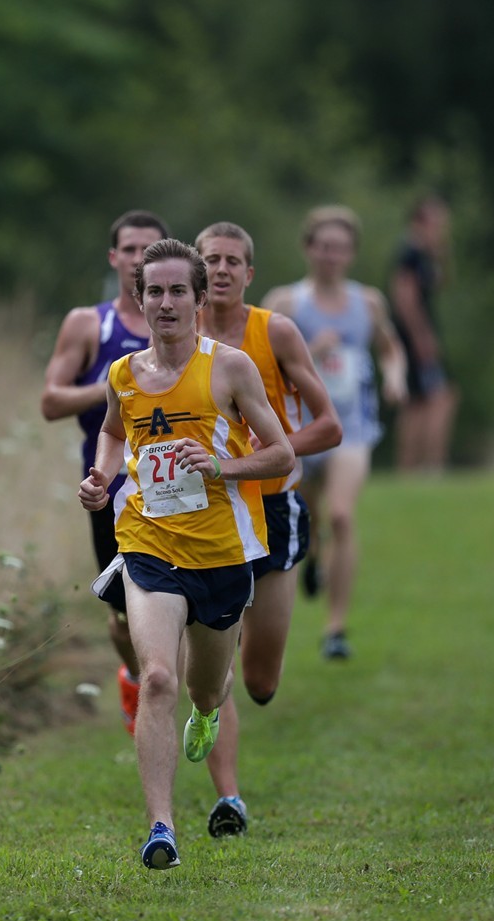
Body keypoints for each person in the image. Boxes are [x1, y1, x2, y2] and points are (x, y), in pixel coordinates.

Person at [79, 238, 294, 871]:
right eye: (155, 292)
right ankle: (161, 829)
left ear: (200, 300)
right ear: (139, 299)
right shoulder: (124, 375)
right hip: (149, 541)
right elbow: (114, 434)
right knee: (157, 676)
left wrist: (224, 467)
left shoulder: (230, 368)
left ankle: (209, 706)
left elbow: (280, 454)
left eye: (178, 291)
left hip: (224, 553)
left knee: (206, 687)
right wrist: (100, 478)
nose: (166, 303)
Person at [194, 221, 342, 838]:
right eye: (212, 260)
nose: (222, 269)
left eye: (233, 261)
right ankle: (229, 799)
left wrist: (274, 447)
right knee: (216, 665)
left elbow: (329, 425)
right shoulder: (176, 333)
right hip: (201, 516)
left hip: (274, 509)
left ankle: (222, 682)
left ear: (250, 274)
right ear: (196, 272)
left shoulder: (273, 331)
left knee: (260, 682)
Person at [40, 210, 169, 735]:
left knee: (179, 601)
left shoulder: (182, 320)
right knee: (121, 612)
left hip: (173, 488)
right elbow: (51, 401)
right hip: (108, 487)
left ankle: (163, 683)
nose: (139, 258)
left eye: (150, 249)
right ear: (114, 257)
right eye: (130, 249)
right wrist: (120, 384)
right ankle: (137, 674)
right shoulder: (90, 324)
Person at [263, 207, 406, 660]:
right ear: (308, 249)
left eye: (340, 248)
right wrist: (307, 351)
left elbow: (389, 347)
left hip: (351, 427)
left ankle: (335, 628)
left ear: (351, 254)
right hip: (297, 429)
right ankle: (315, 553)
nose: (331, 255)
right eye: (323, 246)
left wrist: (396, 375)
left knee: (342, 514)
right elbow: (253, 362)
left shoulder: (368, 303)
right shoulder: (286, 303)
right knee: (306, 518)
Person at [390, 195, 458, 473]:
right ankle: (430, 465)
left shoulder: (423, 254)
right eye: (436, 223)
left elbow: (442, 283)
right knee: (441, 398)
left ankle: (411, 467)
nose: (441, 228)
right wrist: (421, 337)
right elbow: (404, 296)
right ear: (419, 222)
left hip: (417, 333)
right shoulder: (411, 253)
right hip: (414, 335)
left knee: (418, 402)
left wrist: (440, 252)